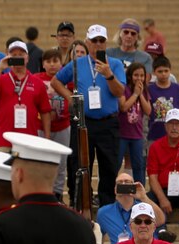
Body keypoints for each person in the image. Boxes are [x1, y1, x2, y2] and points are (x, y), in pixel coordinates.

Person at [52, 24, 127, 206]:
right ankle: (81, 205)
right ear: (87, 42)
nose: (98, 44)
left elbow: (119, 92)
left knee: (109, 167)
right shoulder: (77, 63)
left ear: (106, 43)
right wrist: (70, 98)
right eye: (94, 41)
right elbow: (56, 81)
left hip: (108, 123)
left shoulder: (115, 64)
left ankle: (107, 206)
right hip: (83, 123)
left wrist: (108, 75)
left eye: (102, 41)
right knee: (80, 166)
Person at [0, 40, 52, 150]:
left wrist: (47, 137)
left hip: (29, 140)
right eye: (14, 55)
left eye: (21, 54)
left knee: (27, 167)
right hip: (4, 139)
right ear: (8, 57)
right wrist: (0, 68)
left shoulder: (37, 82)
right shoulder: (1, 79)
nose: (18, 57)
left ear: (27, 58)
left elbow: (45, 111)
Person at [96, 172, 166, 244]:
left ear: (133, 187)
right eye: (119, 183)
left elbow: (161, 220)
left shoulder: (144, 207)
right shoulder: (104, 213)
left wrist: (143, 197)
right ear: (115, 190)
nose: (123, 184)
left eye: (127, 182)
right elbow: (98, 236)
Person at [37, 49, 71, 198]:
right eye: (48, 62)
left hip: (63, 125)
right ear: (43, 64)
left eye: (55, 61)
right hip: (40, 127)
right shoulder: (36, 79)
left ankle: (57, 194)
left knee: (61, 163)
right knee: (41, 161)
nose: (52, 65)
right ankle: (42, 193)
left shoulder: (68, 80)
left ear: (61, 63)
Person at [118, 61, 152, 183]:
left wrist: (140, 94)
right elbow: (124, 107)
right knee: (116, 164)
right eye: (136, 75)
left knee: (138, 165)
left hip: (137, 135)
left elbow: (148, 111)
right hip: (122, 134)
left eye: (142, 75)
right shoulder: (124, 89)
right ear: (130, 76)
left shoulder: (144, 91)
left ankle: (140, 193)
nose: (139, 78)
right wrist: (135, 94)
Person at [147, 56, 179, 144]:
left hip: (173, 134)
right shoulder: (150, 89)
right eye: (160, 71)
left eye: (166, 71)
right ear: (154, 72)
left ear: (170, 71)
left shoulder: (177, 88)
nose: (163, 74)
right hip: (154, 133)